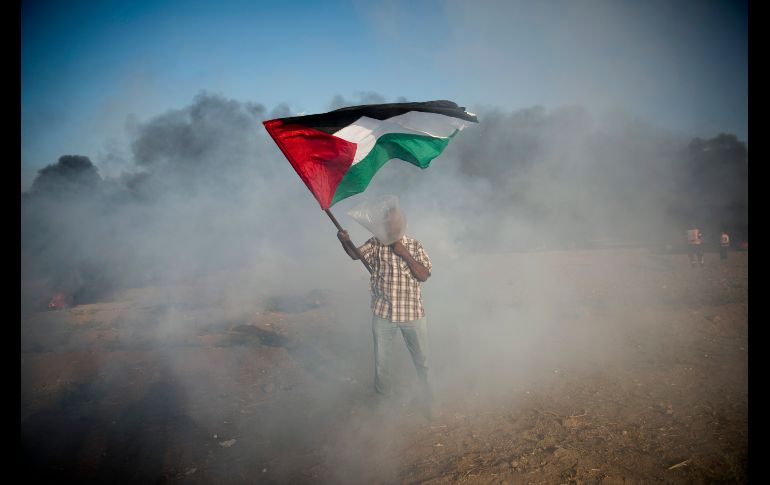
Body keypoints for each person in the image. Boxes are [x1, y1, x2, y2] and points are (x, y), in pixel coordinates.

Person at [337, 206, 436, 419]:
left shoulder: (414, 245)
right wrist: (345, 241)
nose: (392, 226)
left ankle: (429, 399)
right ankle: (384, 404)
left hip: (412, 314)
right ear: (384, 225)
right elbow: (355, 255)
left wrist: (404, 253)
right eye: (388, 223)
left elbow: (424, 275)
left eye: (395, 222)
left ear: (403, 223)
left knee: (422, 360)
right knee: (383, 364)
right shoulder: (376, 243)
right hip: (383, 313)